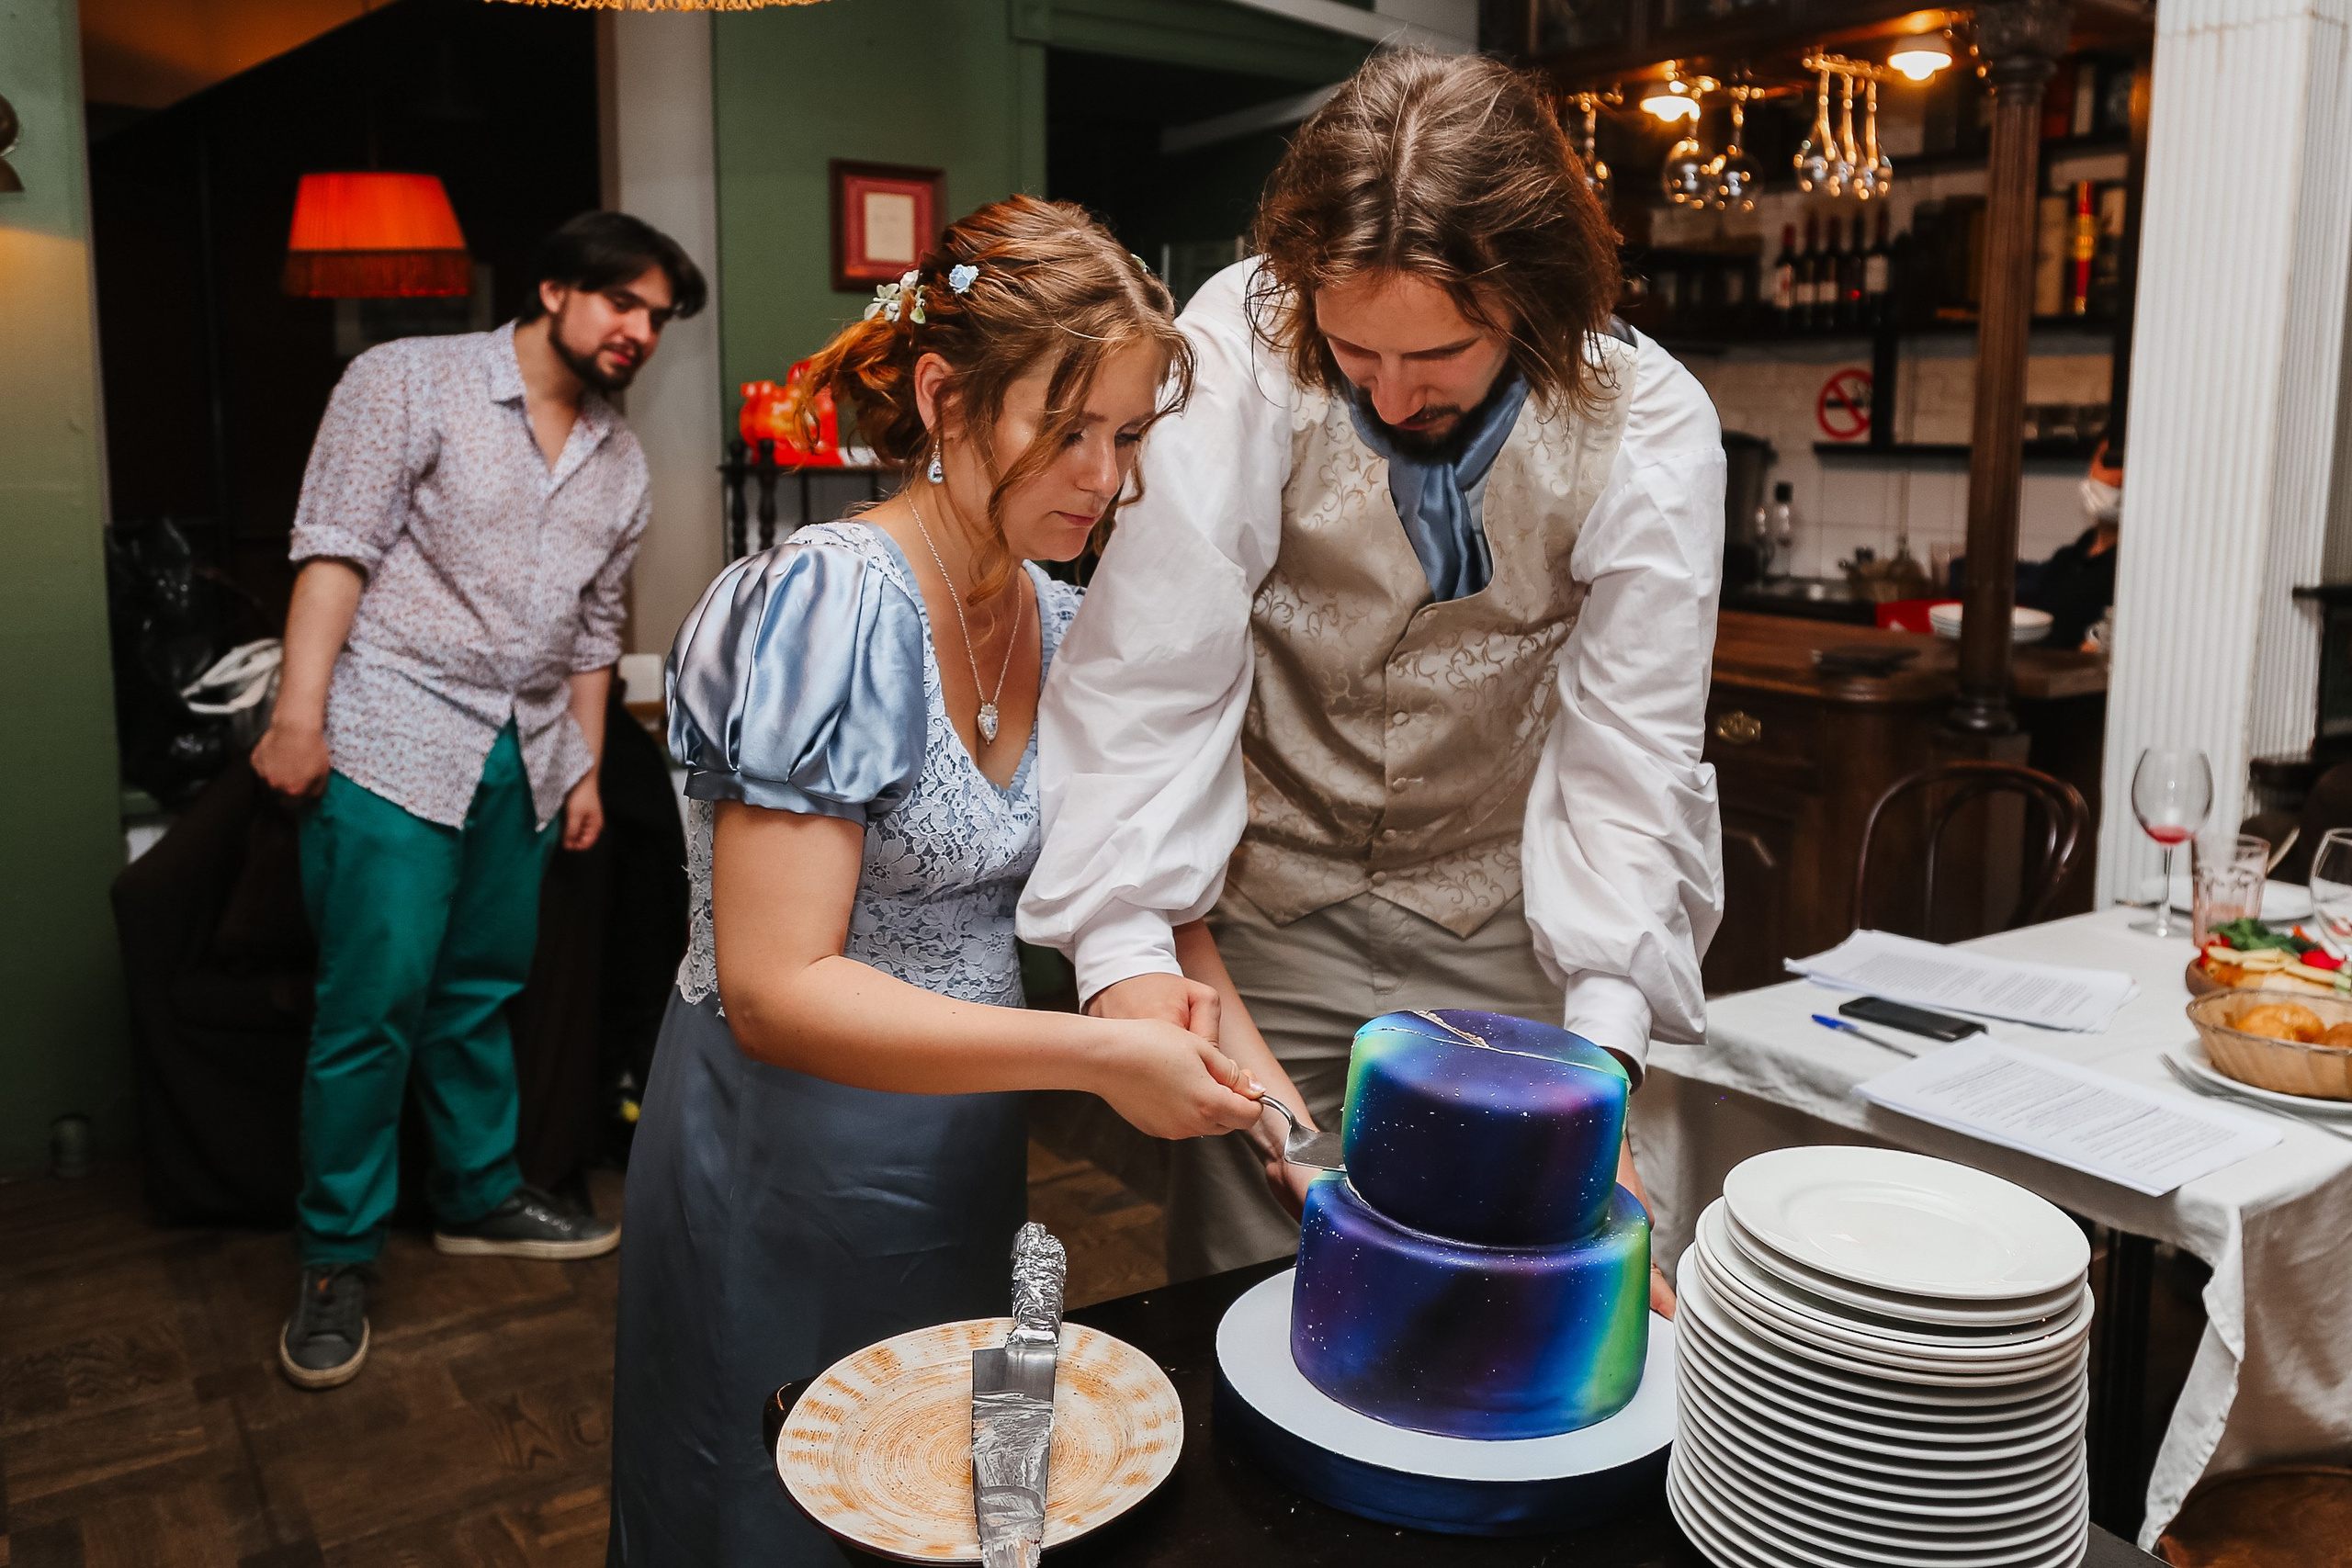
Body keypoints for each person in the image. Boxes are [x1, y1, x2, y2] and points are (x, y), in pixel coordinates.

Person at [605, 196, 1264, 1567]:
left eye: (1131, 434)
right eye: (1067, 429)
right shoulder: (823, 603)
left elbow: (1146, 883)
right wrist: (1094, 1053)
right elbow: (777, 988)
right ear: (944, 396)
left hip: (962, 1136)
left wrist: (1265, 1094)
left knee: (931, 1498)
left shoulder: (1074, 615)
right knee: (773, 1499)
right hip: (780, 1139)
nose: (1107, 477)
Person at [1018, 51, 1727, 1302]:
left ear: (1537, 298)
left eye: (1439, 353)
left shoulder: (1652, 423)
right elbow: (1145, 678)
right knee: (1256, 1291)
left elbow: (1631, 752)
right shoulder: (1234, 352)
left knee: (1510, 1297)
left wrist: (1604, 1055)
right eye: (1353, 350)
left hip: (1505, 920)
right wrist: (1131, 952)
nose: (1391, 393)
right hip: (1266, 913)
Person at [250, 210, 707, 1391]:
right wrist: (299, 716)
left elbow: (600, 633)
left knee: (482, 990)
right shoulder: (406, 380)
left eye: (656, 317)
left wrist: (590, 769)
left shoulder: (621, 459)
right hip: (393, 724)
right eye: (623, 302)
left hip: (532, 749)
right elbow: (335, 548)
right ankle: (335, 1257)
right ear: (554, 287)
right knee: (375, 1001)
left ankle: (477, 1193)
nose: (639, 331)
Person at [2018, 440, 2123, 651]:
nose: (2117, 478)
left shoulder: (2137, 572)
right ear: (2091, 469)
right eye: (2108, 463)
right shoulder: (2065, 560)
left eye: (2128, 464)